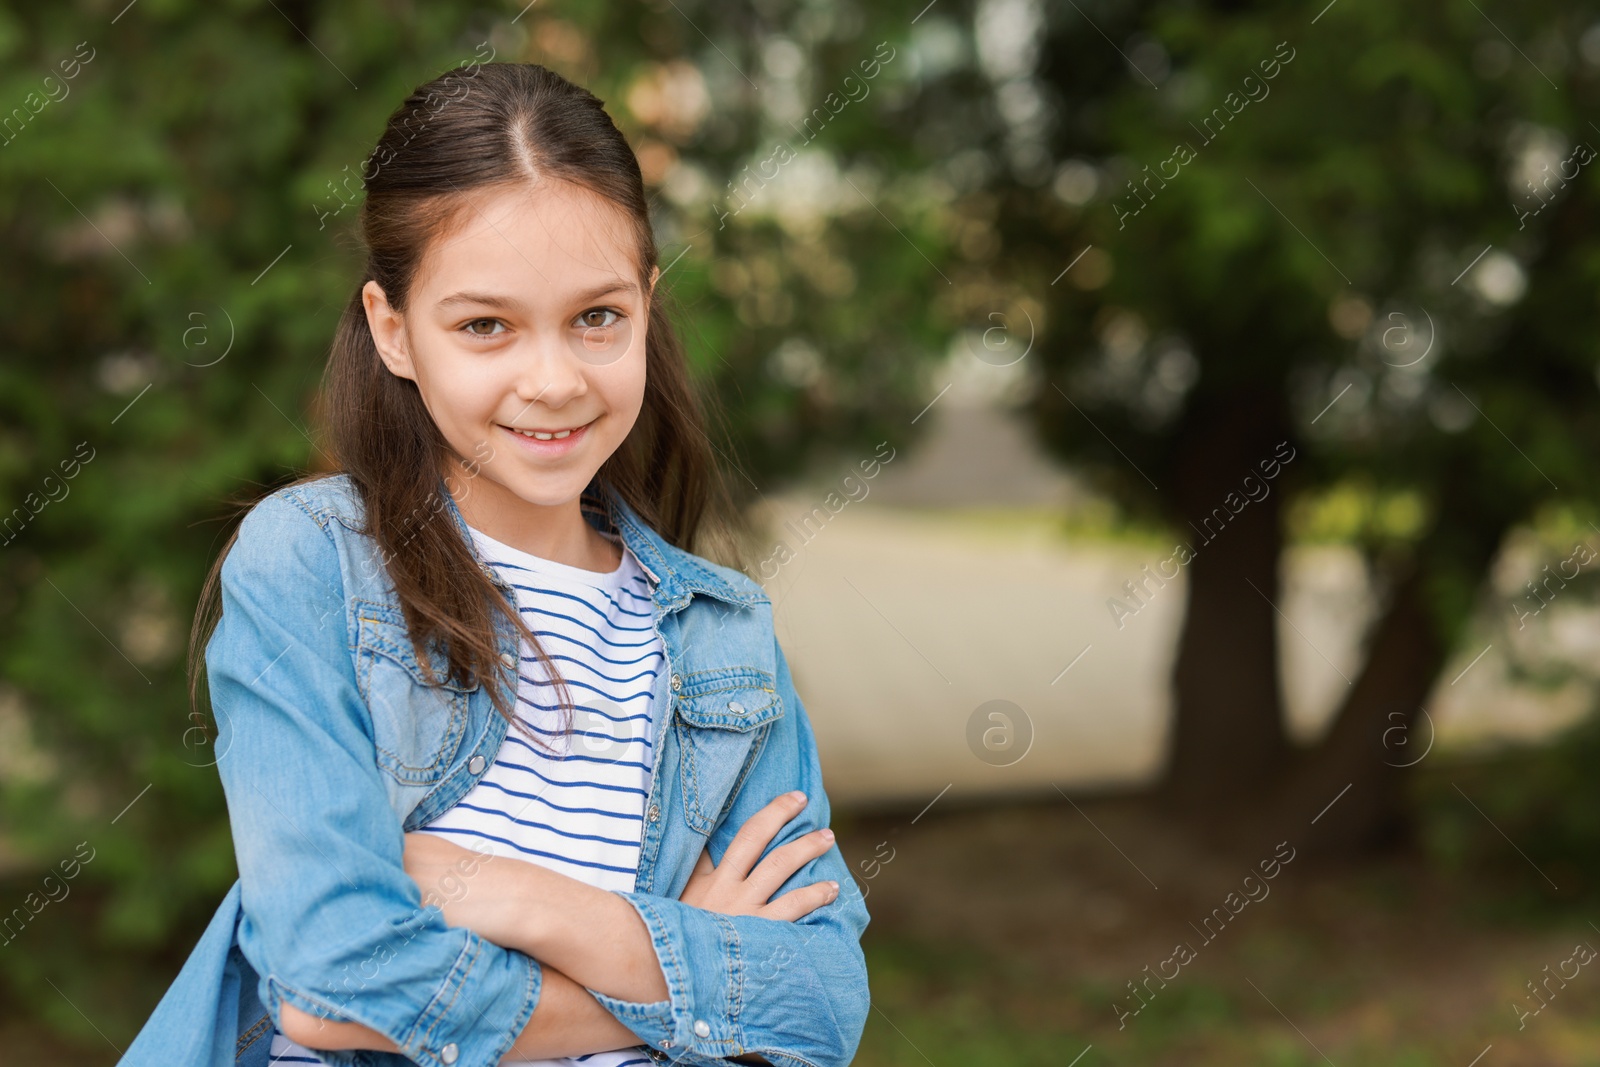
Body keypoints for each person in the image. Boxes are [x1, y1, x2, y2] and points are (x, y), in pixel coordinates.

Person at [118, 61, 870, 1067]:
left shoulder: (722, 634)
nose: (553, 380)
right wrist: (683, 968)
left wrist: (532, 900)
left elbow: (824, 998)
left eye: (597, 317)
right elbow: (333, 983)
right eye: (485, 326)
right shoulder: (316, 566)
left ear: (647, 303)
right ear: (393, 330)